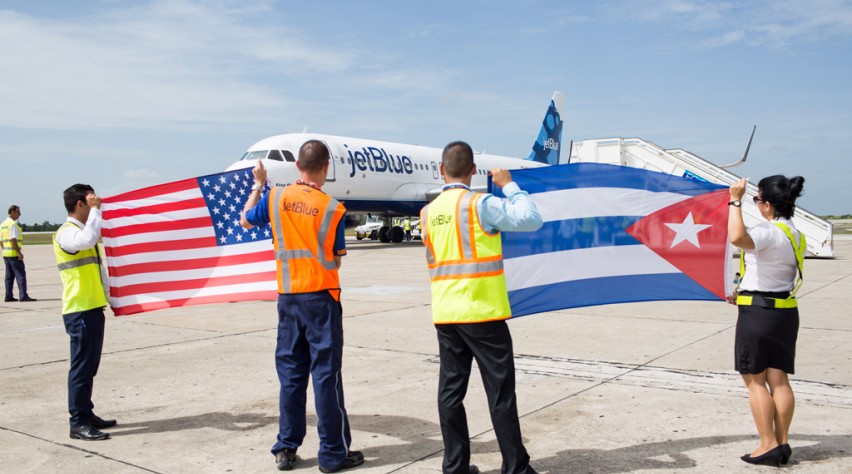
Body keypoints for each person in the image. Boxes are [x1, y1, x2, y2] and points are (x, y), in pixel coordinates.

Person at [241, 140, 363, 473]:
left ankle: (286, 448)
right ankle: (332, 455)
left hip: (288, 298)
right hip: (321, 299)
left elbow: (245, 222)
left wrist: (258, 185)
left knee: (292, 376)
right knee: (326, 377)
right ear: (326, 168)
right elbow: (335, 263)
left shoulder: (275, 197)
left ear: (298, 166)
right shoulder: (334, 209)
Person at [420, 141, 542, 474]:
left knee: (450, 393)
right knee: (500, 394)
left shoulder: (427, 213)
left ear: (441, 171)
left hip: (446, 314)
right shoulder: (480, 204)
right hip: (483, 312)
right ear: (473, 170)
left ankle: (455, 467)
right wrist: (509, 186)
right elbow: (531, 219)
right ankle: (515, 467)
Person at [728, 175, 806, 467]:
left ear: (767, 205)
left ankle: (767, 444)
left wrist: (734, 200)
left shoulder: (768, 231)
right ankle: (782, 442)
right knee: (779, 379)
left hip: (758, 314)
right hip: (784, 311)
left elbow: (737, 237)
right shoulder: (794, 233)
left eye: (756, 199)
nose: (755, 204)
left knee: (755, 381)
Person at [54, 184, 116, 441]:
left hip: (91, 308)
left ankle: (86, 413)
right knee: (81, 368)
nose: (96, 201)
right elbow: (88, 239)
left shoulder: (81, 231)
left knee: (90, 366)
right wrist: (97, 211)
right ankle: (77, 422)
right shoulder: (67, 233)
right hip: (79, 310)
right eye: (90, 199)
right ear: (80, 204)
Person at [2, 205, 36, 302]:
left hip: (6, 254)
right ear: (12, 212)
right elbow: (13, 239)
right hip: (13, 254)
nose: (20, 214)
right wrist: (19, 253)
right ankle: (23, 295)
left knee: (9, 276)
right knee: (20, 275)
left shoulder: (3, 224)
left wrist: (4, 250)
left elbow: (1, 241)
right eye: (18, 212)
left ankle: (8, 296)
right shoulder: (13, 224)